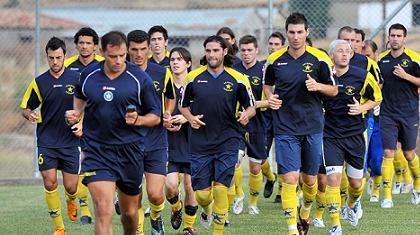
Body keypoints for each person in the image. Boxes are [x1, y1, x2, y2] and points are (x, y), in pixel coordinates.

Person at [66, 31, 161, 235]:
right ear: (102, 52)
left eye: (122, 56)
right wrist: (76, 114)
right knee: (103, 209)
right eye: (112, 56)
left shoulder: (139, 79)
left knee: (129, 213)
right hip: (97, 150)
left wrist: (139, 120)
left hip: (130, 151)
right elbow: (79, 95)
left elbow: (156, 116)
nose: (118, 61)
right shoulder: (88, 75)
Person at [263, 12, 338, 235]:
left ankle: (305, 212)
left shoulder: (320, 59)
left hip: (313, 127)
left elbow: (333, 89)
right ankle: (291, 230)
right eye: (292, 33)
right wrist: (270, 98)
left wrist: (318, 87)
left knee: (310, 181)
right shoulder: (274, 60)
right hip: (285, 127)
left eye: (299, 32)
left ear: (307, 33)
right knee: (290, 178)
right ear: (286, 33)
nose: (296, 37)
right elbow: (268, 85)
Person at [180, 35, 255, 235]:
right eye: (208, 51)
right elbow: (183, 105)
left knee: (222, 187)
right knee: (203, 196)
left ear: (224, 52)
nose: (212, 54)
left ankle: (218, 231)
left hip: (228, 140)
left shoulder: (238, 79)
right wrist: (189, 118)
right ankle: (206, 210)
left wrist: (246, 114)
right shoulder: (193, 77)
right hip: (200, 142)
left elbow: (252, 107)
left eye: (215, 51)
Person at [20, 37, 80, 235]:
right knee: (50, 182)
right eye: (51, 58)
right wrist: (30, 114)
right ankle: (59, 228)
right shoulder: (39, 82)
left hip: (70, 141)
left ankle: (72, 200)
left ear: (65, 56)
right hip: (47, 141)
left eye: (58, 57)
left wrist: (81, 120)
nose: (55, 62)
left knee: (71, 187)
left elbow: (89, 102)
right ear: (47, 57)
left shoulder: (76, 78)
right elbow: (25, 107)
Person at [323, 39, 382, 235]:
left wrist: (361, 108)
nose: (344, 54)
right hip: (329, 134)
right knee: (333, 179)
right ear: (332, 55)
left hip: (355, 134)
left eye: (347, 51)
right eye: (340, 51)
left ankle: (351, 204)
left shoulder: (362, 75)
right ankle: (335, 224)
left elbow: (377, 97)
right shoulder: (324, 76)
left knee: (356, 184)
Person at [126, 29, 176, 235]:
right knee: (134, 194)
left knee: (155, 194)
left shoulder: (162, 73)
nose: (139, 54)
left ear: (148, 49)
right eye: (134, 50)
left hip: (156, 141)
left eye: (142, 49)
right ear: (127, 50)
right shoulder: (121, 74)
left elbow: (171, 97)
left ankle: (156, 217)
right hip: (129, 143)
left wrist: (167, 112)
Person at [63, 26, 104, 225]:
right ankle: (84, 208)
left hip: (99, 125)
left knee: (98, 165)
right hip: (72, 125)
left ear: (95, 46)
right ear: (76, 45)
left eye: (89, 43)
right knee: (80, 164)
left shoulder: (104, 66)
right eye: (81, 43)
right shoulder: (67, 65)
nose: (85, 46)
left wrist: (84, 121)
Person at [378, 23, 420, 208]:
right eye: (392, 35)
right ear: (388, 37)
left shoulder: (413, 59)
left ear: (404, 38)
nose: (395, 39)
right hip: (387, 113)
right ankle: (387, 197)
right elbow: (375, 82)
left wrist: (407, 76)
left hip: (409, 113)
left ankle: (417, 187)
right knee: (388, 152)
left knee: (409, 153)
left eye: (398, 36)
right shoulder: (381, 60)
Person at [232, 35, 271, 215]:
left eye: (250, 50)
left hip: (258, 124)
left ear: (257, 50)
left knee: (256, 167)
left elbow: (272, 100)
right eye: (243, 50)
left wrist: (251, 108)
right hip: (236, 123)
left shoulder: (264, 71)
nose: (246, 54)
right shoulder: (233, 70)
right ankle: (239, 195)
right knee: (234, 161)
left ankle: (253, 203)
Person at [164, 47, 198, 235]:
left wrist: (187, 118)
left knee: (190, 185)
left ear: (188, 63)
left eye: (179, 59)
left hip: (193, 142)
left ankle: (189, 226)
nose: (175, 62)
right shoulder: (165, 86)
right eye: (172, 59)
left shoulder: (196, 84)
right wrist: (166, 120)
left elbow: (206, 111)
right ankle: (176, 206)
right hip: (169, 143)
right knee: (170, 186)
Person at [263, 31, 286, 203]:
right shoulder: (264, 66)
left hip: (281, 116)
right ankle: (270, 177)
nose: (273, 47)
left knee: (282, 154)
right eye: (271, 44)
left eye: (277, 44)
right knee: (261, 155)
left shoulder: (285, 66)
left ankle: (281, 190)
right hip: (262, 117)